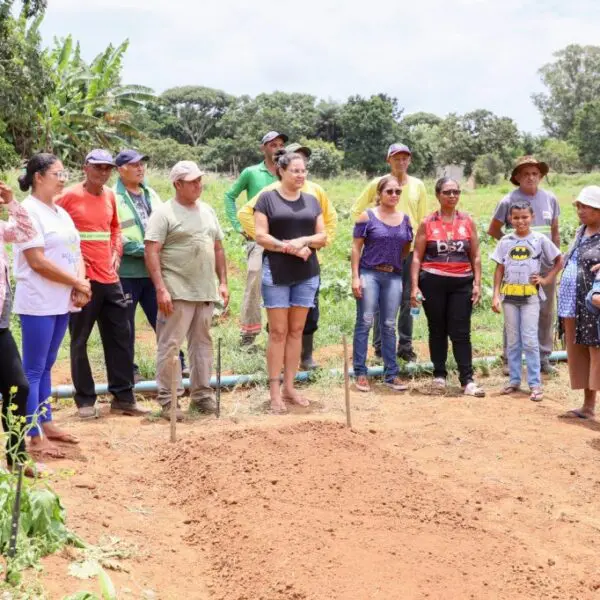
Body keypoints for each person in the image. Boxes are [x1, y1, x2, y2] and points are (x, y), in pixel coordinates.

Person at [57, 149, 147, 418]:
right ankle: (85, 401)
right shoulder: (69, 197)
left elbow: (115, 228)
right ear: (85, 168)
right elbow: (54, 230)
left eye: (107, 168)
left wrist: (116, 252)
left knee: (121, 337)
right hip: (83, 281)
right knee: (80, 339)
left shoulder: (110, 196)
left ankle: (123, 397)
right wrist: (72, 271)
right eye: (98, 168)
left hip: (110, 279)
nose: (103, 173)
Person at [13, 153, 91, 458]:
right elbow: (37, 261)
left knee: (47, 365)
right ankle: (33, 434)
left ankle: (46, 421)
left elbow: (76, 249)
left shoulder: (60, 212)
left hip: (61, 300)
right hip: (38, 300)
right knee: (32, 369)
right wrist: (76, 283)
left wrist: (81, 283)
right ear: (38, 177)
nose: (63, 178)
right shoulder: (28, 212)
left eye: (64, 173)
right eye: (57, 173)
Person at [237, 142, 338, 369]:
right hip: (278, 263)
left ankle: (306, 357)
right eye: (295, 164)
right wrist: (276, 243)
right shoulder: (269, 194)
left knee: (307, 315)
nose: (300, 170)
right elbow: (247, 216)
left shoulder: (315, 192)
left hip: (308, 263)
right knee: (279, 322)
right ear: (283, 167)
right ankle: (279, 365)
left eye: (303, 165)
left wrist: (315, 245)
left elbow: (329, 222)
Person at [145, 161, 229, 420]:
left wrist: (223, 282)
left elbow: (217, 248)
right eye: (192, 181)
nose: (198, 185)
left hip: (204, 291)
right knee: (170, 345)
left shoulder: (207, 211)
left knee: (202, 344)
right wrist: (161, 288)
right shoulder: (164, 213)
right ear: (177, 184)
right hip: (177, 290)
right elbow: (151, 251)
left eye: (199, 180)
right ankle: (169, 401)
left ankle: (202, 395)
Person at [253, 150, 327, 413]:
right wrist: (289, 248)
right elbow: (261, 236)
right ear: (280, 171)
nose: (300, 175)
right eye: (295, 170)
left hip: (307, 274)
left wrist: (302, 242)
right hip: (276, 272)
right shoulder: (267, 200)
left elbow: (322, 237)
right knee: (278, 332)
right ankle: (274, 390)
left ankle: (290, 387)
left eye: (303, 170)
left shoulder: (311, 200)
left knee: (297, 332)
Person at [351, 143, 428, 362]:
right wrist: (372, 231)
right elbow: (357, 209)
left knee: (407, 298)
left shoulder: (418, 185)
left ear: (410, 160)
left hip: (408, 250)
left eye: (405, 158)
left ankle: (405, 346)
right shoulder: (378, 183)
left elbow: (422, 220)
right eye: (396, 158)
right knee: (377, 300)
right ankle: (379, 347)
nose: (401, 162)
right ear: (389, 161)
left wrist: (421, 250)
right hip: (381, 251)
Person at [113, 149, 186, 381]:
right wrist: (146, 251)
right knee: (125, 326)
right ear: (120, 169)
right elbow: (114, 234)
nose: (140, 168)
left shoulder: (151, 194)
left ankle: (177, 364)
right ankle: (128, 372)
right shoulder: (113, 196)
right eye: (134, 164)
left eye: (142, 164)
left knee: (165, 319)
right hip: (127, 272)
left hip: (154, 272)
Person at [411, 177, 485, 397]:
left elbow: (476, 255)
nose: (452, 196)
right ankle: (439, 375)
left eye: (456, 192)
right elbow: (417, 256)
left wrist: (477, 283)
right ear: (438, 195)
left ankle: (467, 380)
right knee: (437, 330)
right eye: (447, 192)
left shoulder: (467, 221)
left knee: (461, 331)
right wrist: (414, 286)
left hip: (462, 283)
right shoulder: (427, 222)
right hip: (432, 282)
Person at [488, 156, 560, 375]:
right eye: (526, 173)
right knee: (514, 310)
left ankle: (543, 357)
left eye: (535, 174)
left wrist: (553, 261)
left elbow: (555, 232)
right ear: (517, 177)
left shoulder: (550, 198)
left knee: (545, 312)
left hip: (544, 268)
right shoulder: (508, 200)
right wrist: (513, 249)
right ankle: (510, 360)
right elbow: (493, 230)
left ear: (540, 176)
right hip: (517, 269)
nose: (531, 177)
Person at [491, 202, 562, 402]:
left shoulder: (539, 240)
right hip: (509, 298)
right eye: (516, 218)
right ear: (510, 219)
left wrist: (546, 280)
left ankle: (535, 383)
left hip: (531, 297)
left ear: (532, 217)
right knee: (513, 341)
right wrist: (495, 294)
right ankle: (514, 380)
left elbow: (559, 259)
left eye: (524, 217)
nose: (520, 221)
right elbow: (499, 268)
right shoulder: (506, 241)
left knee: (530, 340)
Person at [224, 131, 288, 347]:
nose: (277, 148)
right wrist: (237, 225)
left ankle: (278, 333)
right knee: (254, 284)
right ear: (263, 148)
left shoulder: (287, 173)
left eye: (280, 144)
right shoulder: (251, 173)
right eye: (272, 144)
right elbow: (229, 196)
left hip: (284, 240)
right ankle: (248, 338)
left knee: (283, 284)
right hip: (257, 239)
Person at [351, 175, 413, 392]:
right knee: (366, 321)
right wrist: (355, 277)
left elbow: (406, 248)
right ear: (379, 194)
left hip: (394, 276)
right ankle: (360, 372)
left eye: (397, 192)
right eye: (389, 191)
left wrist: (395, 263)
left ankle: (391, 374)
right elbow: (356, 248)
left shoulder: (405, 219)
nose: (394, 195)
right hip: (370, 274)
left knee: (388, 325)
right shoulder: (366, 217)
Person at [0, 179, 37, 471]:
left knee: (19, 387)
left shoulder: (1, 230)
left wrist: (12, 202)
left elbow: (28, 232)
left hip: (1, 327)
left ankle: (16, 454)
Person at [557, 186, 600, 420]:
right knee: (581, 353)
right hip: (573, 305)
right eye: (579, 206)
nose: (581, 211)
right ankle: (588, 406)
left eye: (587, 207)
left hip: (595, 306)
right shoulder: (580, 231)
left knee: (597, 353)